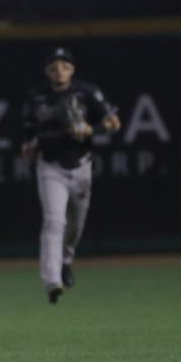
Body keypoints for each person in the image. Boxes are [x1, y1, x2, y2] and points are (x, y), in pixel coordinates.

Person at [19, 48, 120, 304]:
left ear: (72, 70)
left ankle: (66, 260)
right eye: (54, 66)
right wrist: (28, 146)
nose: (59, 70)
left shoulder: (86, 92)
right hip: (50, 166)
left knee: (75, 225)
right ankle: (52, 281)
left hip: (80, 165)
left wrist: (91, 129)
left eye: (64, 66)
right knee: (54, 221)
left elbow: (114, 124)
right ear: (47, 71)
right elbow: (28, 130)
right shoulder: (36, 97)